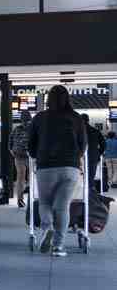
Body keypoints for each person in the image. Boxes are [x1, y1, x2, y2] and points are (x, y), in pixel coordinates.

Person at [29, 86, 87, 257]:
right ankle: (58, 246)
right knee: (62, 207)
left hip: (45, 166)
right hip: (70, 167)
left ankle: (48, 227)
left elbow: (31, 144)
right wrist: (75, 157)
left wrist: (37, 155)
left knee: (45, 203)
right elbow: (83, 144)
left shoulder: (40, 118)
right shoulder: (76, 118)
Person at [9, 114, 31, 208]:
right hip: (30, 156)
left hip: (18, 155)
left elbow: (10, 141)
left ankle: (20, 199)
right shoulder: (33, 128)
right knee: (31, 178)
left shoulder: (16, 129)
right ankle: (30, 198)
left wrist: (12, 151)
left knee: (20, 178)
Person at [82, 114, 105, 194]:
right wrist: (98, 153)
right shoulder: (95, 131)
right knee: (91, 176)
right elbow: (103, 144)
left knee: (80, 177)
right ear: (88, 120)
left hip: (79, 158)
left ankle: (82, 195)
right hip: (93, 157)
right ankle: (90, 195)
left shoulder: (76, 131)